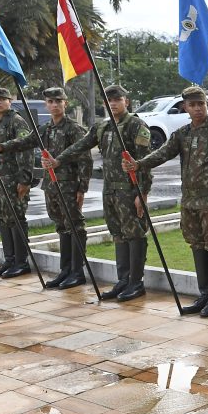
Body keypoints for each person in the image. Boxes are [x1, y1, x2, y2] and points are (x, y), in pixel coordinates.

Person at [124, 86, 208, 317]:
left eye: (201, 104)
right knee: (196, 244)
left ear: (206, 105)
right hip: (190, 200)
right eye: (192, 105)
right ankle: (205, 294)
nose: (197, 109)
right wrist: (139, 164)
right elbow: (163, 153)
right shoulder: (183, 133)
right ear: (185, 107)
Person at [44, 85, 152, 301]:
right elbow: (80, 146)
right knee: (118, 234)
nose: (112, 104)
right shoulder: (102, 127)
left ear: (126, 102)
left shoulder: (136, 126)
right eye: (108, 101)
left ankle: (136, 282)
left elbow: (145, 163)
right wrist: (58, 160)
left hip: (129, 192)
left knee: (135, 234)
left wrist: (142, 193)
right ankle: (123, 280)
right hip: (110, 191)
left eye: (117, 99)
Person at [0, 87, 91, 289]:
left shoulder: (73, 129)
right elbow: (25, 141)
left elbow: (85, 159)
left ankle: (77, 272)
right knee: (62, 226)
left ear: (65, 104)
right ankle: (66, 270)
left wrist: (82, 188)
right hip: (51, 185)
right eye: (50, 102)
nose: (54, 105)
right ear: (46, 105)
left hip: (69, 185)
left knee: (75, 226)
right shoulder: (46, 128)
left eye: (58, 101)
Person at [0, 88, 34, 278]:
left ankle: (21, 262)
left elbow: (25, 146)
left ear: (10, 101)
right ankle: (9, 260)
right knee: (1, 218)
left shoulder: (16, 121)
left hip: (11, 179)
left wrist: (25, 179)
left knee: (16, 218)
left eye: (2, 98)